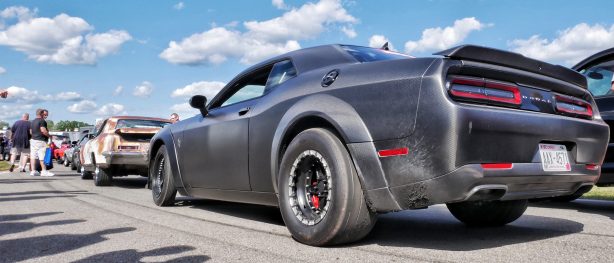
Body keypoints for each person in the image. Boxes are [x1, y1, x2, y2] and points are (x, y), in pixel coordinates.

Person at [30, 108, 54, 176]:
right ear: (41, 114)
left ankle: (33, 171)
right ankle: (44, 171)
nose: (45, 116)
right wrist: (50, 136)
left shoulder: (32, 121)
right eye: (45, 114)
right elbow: (43, 130)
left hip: (33, 140)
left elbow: (30, 132)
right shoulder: (42, 121)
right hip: (41, 140)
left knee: (33, 156)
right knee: (42, 156)